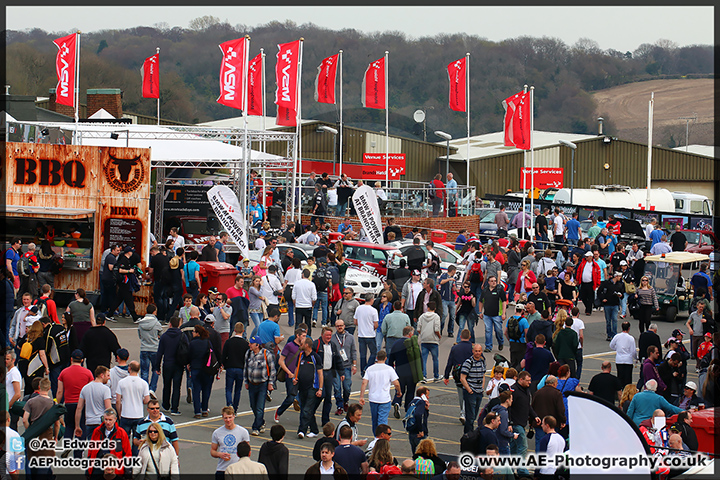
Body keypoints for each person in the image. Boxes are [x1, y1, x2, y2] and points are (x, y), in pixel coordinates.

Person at [22, 377, 60, 478]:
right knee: (44, 464)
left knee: (33, 464)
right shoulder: (53, 404)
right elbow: (57, 423)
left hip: (33, 437)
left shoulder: (31, 402)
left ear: (39, 387)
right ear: (49, 388)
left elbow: (25, 419)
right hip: (46, 436)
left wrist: (29, 430)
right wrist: (55, 437)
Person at [359, 349, 402, 434]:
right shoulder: (389, 369)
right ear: (385, 358)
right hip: (384, 399)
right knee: (382, 421)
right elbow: (396, 383)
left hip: (373, 399)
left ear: (376, 358)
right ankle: (382, 439)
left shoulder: (370, 369)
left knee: (375, 420)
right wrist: (399, 392)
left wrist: (361, 397)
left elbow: (364, 383)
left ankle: (376, 437)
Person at [86, 408, 133, 479]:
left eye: (110, 420)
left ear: (115, 419)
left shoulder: (121, 433)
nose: (108, 422)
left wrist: (128, 472)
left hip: (114, 469)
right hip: (97, 468)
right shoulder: (97, 431)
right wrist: (88, 470)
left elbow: (127, 453)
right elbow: (91, 451)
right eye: (106, 419)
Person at [244, 335, 276, 436]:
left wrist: (270, 383)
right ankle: (261, 422)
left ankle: (256, 427)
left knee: (259, 407)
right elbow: (245, 368)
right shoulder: (248, 353)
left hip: (262, 384)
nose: (249, 345)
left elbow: (272, 370)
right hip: (252, 383)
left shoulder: (267, 354)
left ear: (257, 345)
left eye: (251, 343)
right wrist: (246, 381)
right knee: (253, 405)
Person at [116, 361, 150, 453]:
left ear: (129, 368)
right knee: (137, 440)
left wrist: (119, 413)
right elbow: (147, 400)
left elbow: (118, 400)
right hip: (138, 415)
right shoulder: (143, 383)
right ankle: (135, 459)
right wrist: (140, 401)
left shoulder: (122, 382)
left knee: (124, 439)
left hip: (125, 414)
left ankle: (125, 458)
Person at [154, 316, 185, 415]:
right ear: (179, 324)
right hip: (179, 363)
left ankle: (166, 404)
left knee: (167, 384)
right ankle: (174, 408)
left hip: (167, 363)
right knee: (177, 386)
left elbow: (159, 353)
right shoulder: (182, 335)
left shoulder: (164, 336)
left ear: (170, 324)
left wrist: (157, 366)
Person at [295, 337, 323, 438]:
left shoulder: (315, 357)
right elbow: (297, 368)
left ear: (307, 345)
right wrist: (295, 378)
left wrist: (320, 388)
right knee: (305, 409)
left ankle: (301, 430)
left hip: (312, 387)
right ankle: (314, 430)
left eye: (301, 343)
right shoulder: (301, 356)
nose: (299, 345)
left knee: (307, 409)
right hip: (301, 387)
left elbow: (320, 374)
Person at [211, 406, 251, 478]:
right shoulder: (217, 433)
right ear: (222, 418)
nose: (228, 420)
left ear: (234, 416)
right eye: (226, 418)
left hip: (238, 469)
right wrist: (219, 454)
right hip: (222, 469)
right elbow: (212, 451)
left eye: (230, 417)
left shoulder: (243, 432)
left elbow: (248, 451)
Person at [75, 366, 112, 441]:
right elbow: (108, 408)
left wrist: (77, 426)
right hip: (101, 422)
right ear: (102, 375)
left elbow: (79, 408)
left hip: (89, 422)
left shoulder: (85, 388)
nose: (109, 378)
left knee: (92, 447)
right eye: (107, 375)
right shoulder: (105, 389)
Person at [530, 376, 566, 451]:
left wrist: (531, 421)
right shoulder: (557, 394)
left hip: (539, 422)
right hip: (553, 423)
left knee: (539, 443)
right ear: (554, 383)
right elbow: (560, 409)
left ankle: (539, 461)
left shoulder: (538, 393)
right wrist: (562, 420)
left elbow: (532, 407)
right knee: (552, 443)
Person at [221, 322, 249, 413]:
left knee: (228, 388)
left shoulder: (229, 342)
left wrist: (224, 364)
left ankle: (229, 404)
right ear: (243, 331)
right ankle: (235, 408)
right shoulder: (245, 344)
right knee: (238, 390)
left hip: (230, 367)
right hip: (240, 368)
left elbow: (224, 355)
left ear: (234, 330)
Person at [459, 343, 487, 434]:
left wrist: (482, 387)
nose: (477, 353)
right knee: (470, 417)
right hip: (471, 392)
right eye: (476, 351)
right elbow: (462, 378)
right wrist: (469, 390)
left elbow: (483, 375)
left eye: (479, 351)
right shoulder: (468, 362)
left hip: (479, 392)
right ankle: (468, 435)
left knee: (474, 415)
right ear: (472, 351)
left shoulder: (482, 362)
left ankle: (469, 434)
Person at [188, 325, 214, 418]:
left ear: (198, 333)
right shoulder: (207, 342)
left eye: (194, 331)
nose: (192, 333)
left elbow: (189, 355)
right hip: (206, 369)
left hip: (195, 368)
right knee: (206, 390)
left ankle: (197, 411)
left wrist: (188, 364)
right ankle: (204, 409)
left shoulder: (192, 343)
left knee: (196, 390)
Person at [137, 304, 162, 394]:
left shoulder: (141, 322)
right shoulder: (157, 323)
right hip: (155, 349)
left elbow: (140, 335)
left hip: (144, 348)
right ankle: (152, 388)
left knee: (144, 371)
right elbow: (161, 335)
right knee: (156, 369)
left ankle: (144, 390)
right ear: (154, 312)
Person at [478, 276, 507, 353]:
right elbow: (481, 301)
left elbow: (504, 301)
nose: (494, 282)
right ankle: (488, 346)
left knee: (498, 330)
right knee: (488, 330)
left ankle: (501, 342)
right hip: (487, 315)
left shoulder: (499, 290)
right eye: (492, 281)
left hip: (497, 314)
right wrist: (480, 312)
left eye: (495, 281)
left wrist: (503, 313)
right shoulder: (485, 290)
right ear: (488, 282)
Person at [416, 300, 442, 383]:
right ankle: (436, 376)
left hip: (424, 340)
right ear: (434, 308)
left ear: (428, 308)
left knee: (424, 359)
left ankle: (423, 376)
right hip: (433, 340)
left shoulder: (422, 316)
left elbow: (418, 329)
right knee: (435, 359)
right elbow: (437, 329)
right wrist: (439, 336)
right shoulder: (436, 317)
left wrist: (423, 334)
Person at [356, 293, 379, 376]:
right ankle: (368, 367)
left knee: (363, 354)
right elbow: (376, 324)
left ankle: (363, 372)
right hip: (370, 335)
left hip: (361, 334)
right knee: (373, 352)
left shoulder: (359, 308)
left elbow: (355, 321)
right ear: (372, 300)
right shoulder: (373, 310)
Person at [609, 321, 637, 388]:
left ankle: (620, 392)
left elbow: (611, 345)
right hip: (628, 360)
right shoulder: (631, 338)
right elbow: (633, 351)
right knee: (628, 379)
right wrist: (636, 358)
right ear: (629, 328)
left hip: (619, 360)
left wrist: (617, 348)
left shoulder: (617, 336)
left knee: (620, 377)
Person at [599, 271, 625, 341]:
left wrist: (621, 295)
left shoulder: (620, 284)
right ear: (616, 276)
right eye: (619, 276)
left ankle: (614, 335)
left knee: (614, 319)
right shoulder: (606, 283)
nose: (620, 278)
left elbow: (622, 294)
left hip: (615, 304)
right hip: (607, 304)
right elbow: (599, 291)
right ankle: (609, 334)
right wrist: (602, 299)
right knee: (608, 321)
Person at [406, 387, 430, 455]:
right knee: (424, 456)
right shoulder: (421, 402)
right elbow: (419, 415)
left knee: (415, 455)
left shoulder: (412, 402)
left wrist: (426, 409)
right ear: (423, 395)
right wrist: (421, 430)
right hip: (419, 434)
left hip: (412, 432)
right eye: (427, 395)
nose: (428, 397)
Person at [504, 304, 529, 369]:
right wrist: (527, 342)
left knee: (513, 361)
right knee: (520, 362)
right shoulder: (524, 321)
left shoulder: (510, 319)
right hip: (521, 343)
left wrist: (509, 340)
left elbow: (505, 332)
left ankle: (512, 374)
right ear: (522, 310)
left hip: (512, 343)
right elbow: (526, 333)